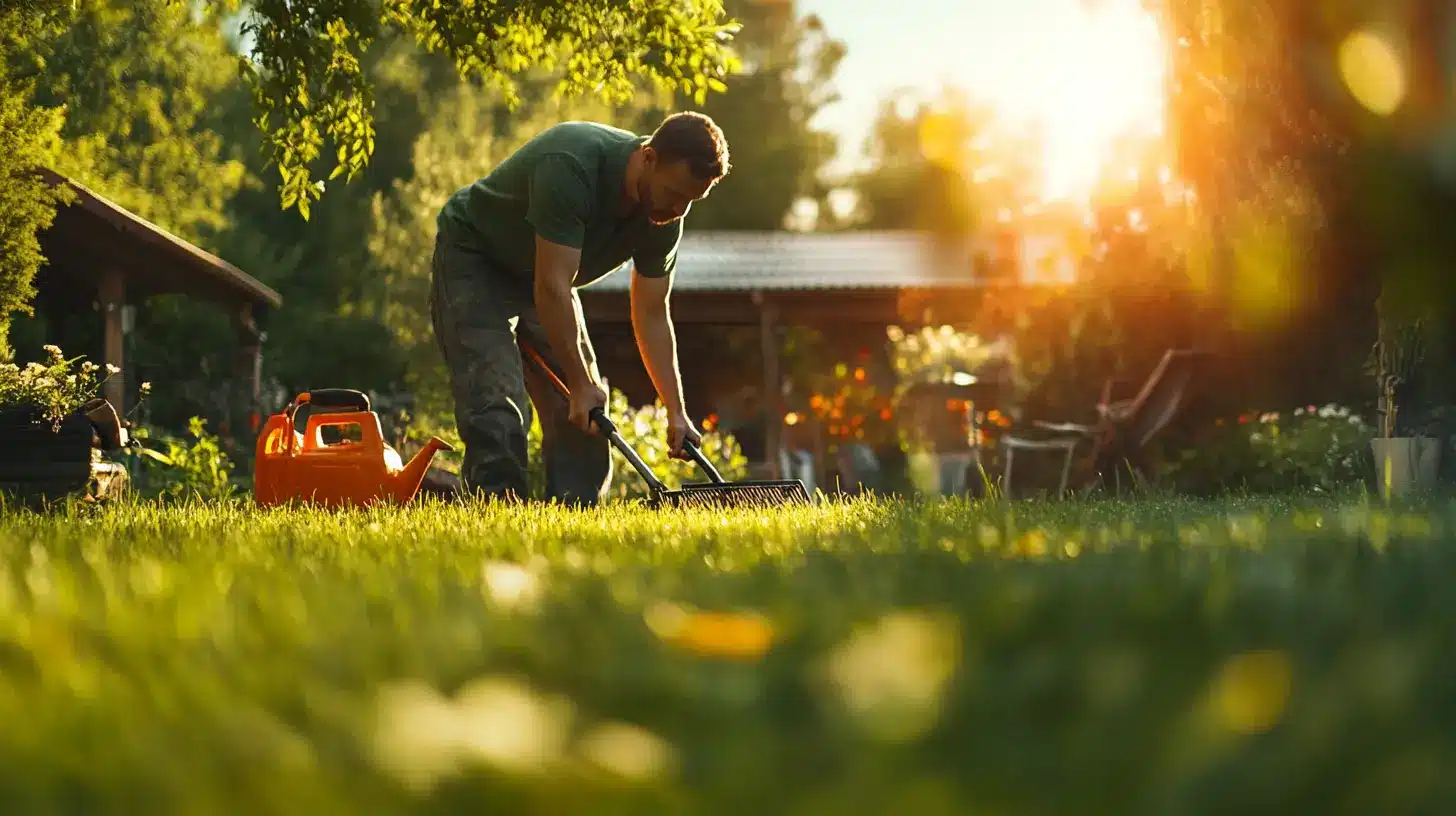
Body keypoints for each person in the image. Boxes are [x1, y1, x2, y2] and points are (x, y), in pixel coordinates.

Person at [428, 112, 730, 506]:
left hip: (545, 273)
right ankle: (495, 511)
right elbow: (551, 288)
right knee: (497, 405)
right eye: (674, 194)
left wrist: (677, 411)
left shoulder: (665, 216)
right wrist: (578, 382)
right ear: (648, 157)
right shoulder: (571, 165)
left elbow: (653, 312)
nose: (678, 210)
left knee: (589, 416)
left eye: (691, 200)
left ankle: (577, 515)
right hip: (476, 258)